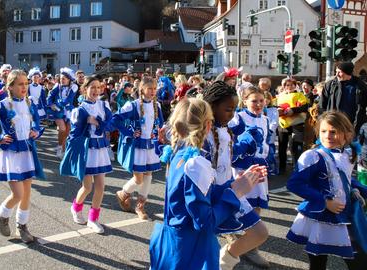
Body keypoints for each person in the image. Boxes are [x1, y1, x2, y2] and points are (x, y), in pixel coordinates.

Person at [149, 97, 267, 270]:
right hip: (192, 248)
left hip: (171, 242)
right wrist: (235, 193)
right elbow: (205, 222)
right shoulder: (196, 164)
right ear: (209, 125)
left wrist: (236, 184)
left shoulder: (178, 153)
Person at [200, 81, 269, 269]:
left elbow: (227, 158)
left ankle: (225, 261)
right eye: (228, 109)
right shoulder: (202, 135)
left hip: (230, 189)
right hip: (209, 195)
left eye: (234, 109)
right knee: (205, 243)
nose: (232, 114)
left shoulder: (225, 129)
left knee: (260, 232)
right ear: (211, 106)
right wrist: (245, 142)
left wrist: (243, 171)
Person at [287, 111, 367, 270]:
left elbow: (343, 178)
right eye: (323, 131)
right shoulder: (313, 156)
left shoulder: (347, 153)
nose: (328, 135)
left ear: (347, 133)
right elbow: (295, 184)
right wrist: (324, 201)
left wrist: (360, 189)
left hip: (345, 213)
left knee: (359, 260)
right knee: (318, 261)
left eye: (333, 131)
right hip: (320, 216)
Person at [0, 69, 44, 243]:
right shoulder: (2, 104)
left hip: (27, 151)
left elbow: (37, 122)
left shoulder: (30, 104)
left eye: (26, 83)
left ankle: (22, 227)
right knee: (17, 194)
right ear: (11, 86)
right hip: (11, 153)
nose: (24, 87)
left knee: (27, 193)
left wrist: (36, 131)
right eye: (20, 84)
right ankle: (1, 214)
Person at [60, 76, 113, 234]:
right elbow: (74, 135)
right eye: (92, 87)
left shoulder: (104, 105)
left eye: (98, 87)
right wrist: (85, 122)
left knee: (101, 186)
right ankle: (76, 207)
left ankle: (93, 219)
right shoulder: (79, 110)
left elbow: (110, 123)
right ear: (85, 89)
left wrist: (98, 123)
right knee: (87, 187)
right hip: (86, 150)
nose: (96, 90)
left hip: (100, 149)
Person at [228, 86, 273, 266]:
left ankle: (250, 244)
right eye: (254, 101)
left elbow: (267, 143)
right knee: (240, 202)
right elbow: (230, 143)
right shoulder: (238, 118)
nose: (258, 104)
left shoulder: (266, 119)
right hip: (242, 167)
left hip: (259, 165)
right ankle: (240, 238)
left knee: (256, 205)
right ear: (244, 101)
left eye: (261, 101)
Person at [113, 76, 164, 220]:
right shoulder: (133, 105)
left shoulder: (157, 105)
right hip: (138, 146)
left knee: (148, 175)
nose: (153, 91)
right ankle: (123, 193)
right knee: (138, 178)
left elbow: (161, 123)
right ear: (142, 89)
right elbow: (116, 119)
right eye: (150, 88)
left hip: (151, 144)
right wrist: (130, 132)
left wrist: (162, 133)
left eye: (155, 89)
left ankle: (140, 206)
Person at [320, 62, 367, 135]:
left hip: (351, 126)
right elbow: (322, 106)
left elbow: (362, 107)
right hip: (332, 125)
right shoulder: (330, 85)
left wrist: (355, 127)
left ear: (348, 73)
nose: (336, 74)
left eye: (339, 72)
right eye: (336, 71)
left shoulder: (360, 86)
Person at [277, 78, 309, 174]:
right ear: (284, 86)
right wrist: (279, 110)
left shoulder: (300, 95)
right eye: (287, 85)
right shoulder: (280, 96)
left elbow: (304, 107)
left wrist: (293, 110)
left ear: (295, 85)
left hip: (297, 124)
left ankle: (297, 167)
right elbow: (276, 106)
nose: (289, 87)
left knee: (295, 146)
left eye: (292, 85)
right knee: (282, 146)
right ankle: (282, 168)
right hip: (283, 124)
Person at [46, 67, 78, 159]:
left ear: (69, 79)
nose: (61, 80)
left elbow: (69, 100)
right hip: (58, 111)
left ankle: (62, 148)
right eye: (60, 78)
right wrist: (51, 104)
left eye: (64, 79)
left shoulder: (74, 87)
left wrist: (58, 103)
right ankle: (60, 148)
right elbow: (50, 96)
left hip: (68, 111)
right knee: (62, 129)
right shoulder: (57, 86)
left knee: (67, 132)